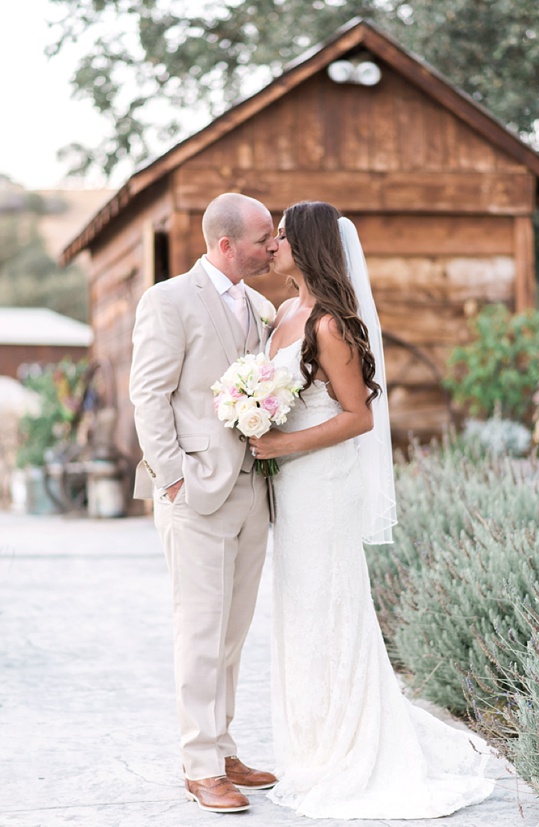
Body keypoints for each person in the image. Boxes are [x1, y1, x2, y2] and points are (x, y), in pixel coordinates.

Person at [249, 201, 495, 819]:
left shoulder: (330, 325)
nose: (271, 244)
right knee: (300, 609)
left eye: (280, 236)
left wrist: (281, 443)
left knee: (330, 604)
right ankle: (310, 742)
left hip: (324, 485)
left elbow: (357, 418)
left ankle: (349, 748)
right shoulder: (283, 313)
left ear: (306, 246)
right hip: (293, 486)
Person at [129, 192, 279, 814]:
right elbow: (149, 395)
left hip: (253, 489)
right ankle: (198, 766)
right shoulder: (167, 300)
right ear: (225, 244)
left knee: (233, 632)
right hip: (195, 492)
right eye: (264, 238)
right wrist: (173, 480)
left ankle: (222, 747)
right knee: (198, 628)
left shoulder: (264, 307)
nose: (274, 246)